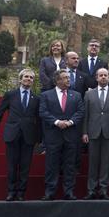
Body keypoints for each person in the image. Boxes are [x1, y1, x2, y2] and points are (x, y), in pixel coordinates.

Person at [0, 69, 41, 201]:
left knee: (25, 166)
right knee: (12, 166)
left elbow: (39, 120)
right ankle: (11, 191)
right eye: (26, 77)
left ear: (33, 81)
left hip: (29, 137)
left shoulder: (36, 98)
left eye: (31, 78)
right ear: (20, 79)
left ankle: (21, 193)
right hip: (12, 134)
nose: (28, 79)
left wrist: (39, 139)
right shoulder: (10, 95)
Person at [39, 70, 84, 200]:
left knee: (70, 165)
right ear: (57, 81)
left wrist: (70, 122)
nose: (68, 80)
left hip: (71, 135)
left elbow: (81, 111)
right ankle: (50, 192)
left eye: (68, 78)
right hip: (53, 135)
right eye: (65, 78)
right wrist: (57, 122)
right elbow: (43, 112)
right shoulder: (46, 95)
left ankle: (68, 192)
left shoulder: (76, 95)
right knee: (51, 165)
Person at [82, 68, 109, 200]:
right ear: (96, 78)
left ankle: (104, 189)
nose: (103, 77)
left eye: (106, 75)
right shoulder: (89, 94)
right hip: (93, 132)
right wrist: (84, 132)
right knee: (93, 162)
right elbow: (85, 115)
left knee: (106, 162)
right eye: (101, 75)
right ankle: (91, 190)